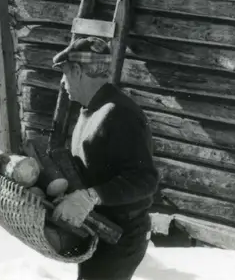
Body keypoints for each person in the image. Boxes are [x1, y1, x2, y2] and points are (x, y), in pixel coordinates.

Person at [51, 37, 161, 280]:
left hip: (121, 236)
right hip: (99, 232)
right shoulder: (90, 111)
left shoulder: (118, 113)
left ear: (78, 71)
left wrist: (91, 196)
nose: (62, 81)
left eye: (65, 73)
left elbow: (145, 180)